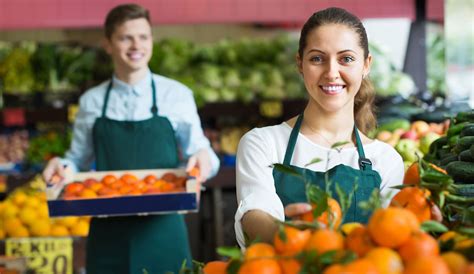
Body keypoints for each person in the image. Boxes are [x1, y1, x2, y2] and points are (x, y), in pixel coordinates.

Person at [42, 4, 219, 273]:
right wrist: (62, 167)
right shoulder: (91, 101)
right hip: (108, 231)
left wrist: (204, 158)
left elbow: (201, 152)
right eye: (126, 37)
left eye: (144, 37)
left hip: (163, 228)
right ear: (108, 44)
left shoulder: (177, 95)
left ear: (151, 40)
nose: (136, 45)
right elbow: (78, 159)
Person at [234, 7, 405, 249]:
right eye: (317, 58)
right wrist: (285, 234)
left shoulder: (385, 160)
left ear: (366, 65)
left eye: (346, 59)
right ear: (300, 64)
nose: (331, 73)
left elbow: (395, 237)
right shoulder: (263, 144)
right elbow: (254, 214)